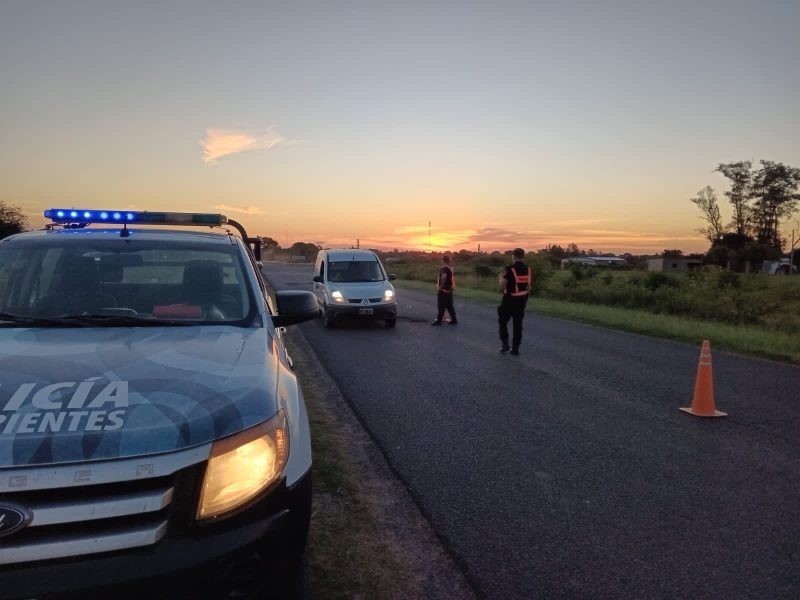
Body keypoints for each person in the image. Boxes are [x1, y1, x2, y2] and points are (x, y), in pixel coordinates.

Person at [498, 248, 530, 354]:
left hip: (510, 299)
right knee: (518, 324)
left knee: (502, 321)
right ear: (522, 256)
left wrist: (501, 277)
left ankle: (505, 344)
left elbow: (502, 286)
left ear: (513, 256)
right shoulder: (527, 269)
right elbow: (528, 286)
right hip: (522, 299)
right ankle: (515, 349)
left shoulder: (510, 269)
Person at [431, 254, 457, 325]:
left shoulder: (444, 268)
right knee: (449, 306)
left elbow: (443, 278)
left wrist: (441, 287)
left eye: (441, 260)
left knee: (441, 306)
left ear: (443, 260)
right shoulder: (450, 267)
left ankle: (438, 321)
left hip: (443, 290)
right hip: (449, 290)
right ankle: (454, 320)